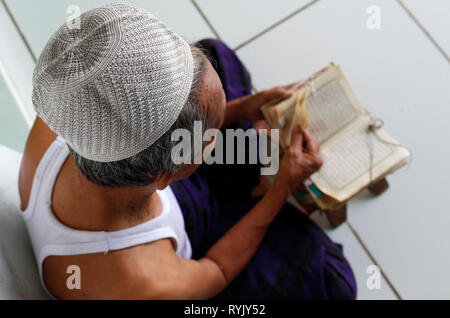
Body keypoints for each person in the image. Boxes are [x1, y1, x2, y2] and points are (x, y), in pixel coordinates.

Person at [18, 3, 356, 299]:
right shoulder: (142, 278)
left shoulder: (69, 107)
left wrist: (239, 109)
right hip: (188, 230)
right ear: (168, 175)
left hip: (144, 185)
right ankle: (248, 177)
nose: (216, 138)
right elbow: (219, 269)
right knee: (331, 282)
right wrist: (280, 190)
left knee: (216, 55)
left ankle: (227, 142)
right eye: (209, 140)